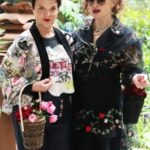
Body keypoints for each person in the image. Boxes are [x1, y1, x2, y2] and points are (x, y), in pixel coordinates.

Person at [71, 0, 150, 150]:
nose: (95, 4)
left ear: (114, 2)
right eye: (90, 1)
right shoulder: (79, 33)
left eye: (100, 0)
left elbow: (132, 69)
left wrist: (136, 77)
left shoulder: (127, 37)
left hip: (107, 115)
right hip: (78, 112)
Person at [0, 0, 74, 150]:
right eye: (41, 8)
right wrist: (32, 86)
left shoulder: (67, 38)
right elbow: (4, 76)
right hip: (33, 116)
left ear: (58, 10)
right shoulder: (23, 42)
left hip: (62, 114)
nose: (47, 14)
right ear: (33, 9)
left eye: (52, 8)